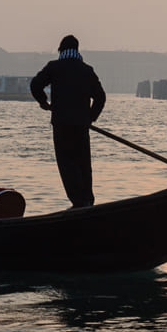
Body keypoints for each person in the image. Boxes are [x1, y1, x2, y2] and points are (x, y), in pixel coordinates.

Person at [31, 34, 107, 208]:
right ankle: (87, 200)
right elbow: (100, 97)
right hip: (81, 125)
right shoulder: (86, 70)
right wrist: (90, 117)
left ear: (61, 50)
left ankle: (78, 201)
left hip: (61, 124)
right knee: (82, 163)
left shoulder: (54, 67)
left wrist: (44, 102)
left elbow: (35, 85)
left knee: (67, 163)